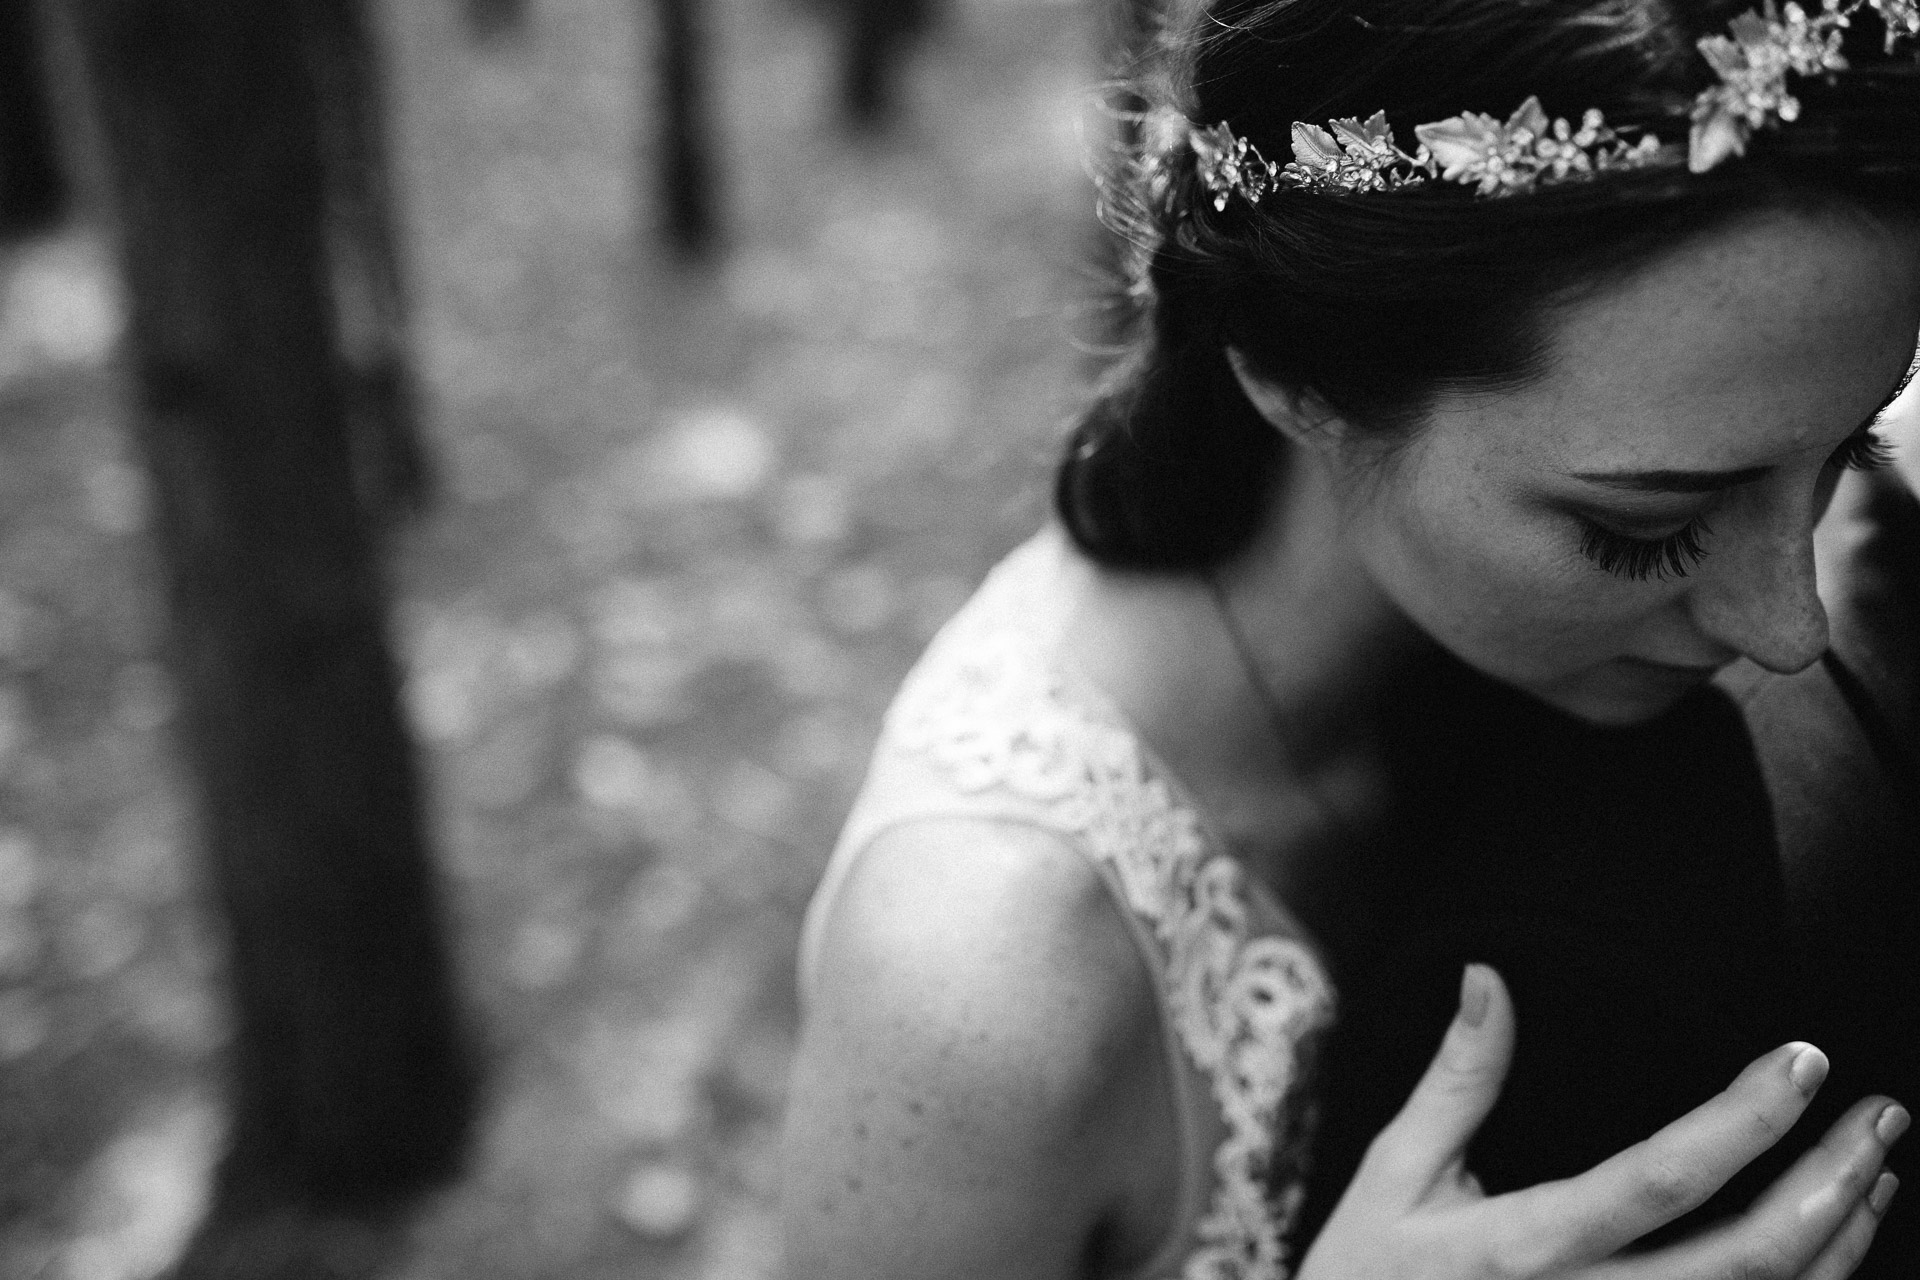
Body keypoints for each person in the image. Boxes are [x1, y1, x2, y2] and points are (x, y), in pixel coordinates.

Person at [780, 0, 1920, 1276]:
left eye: (1851, 446)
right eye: (1644, 525)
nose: (1789, 623)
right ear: (1292, 370)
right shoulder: (975, 995)